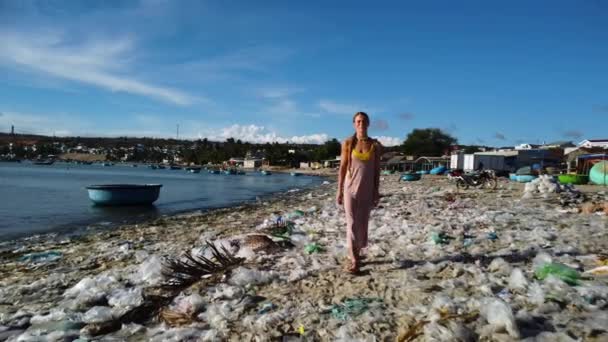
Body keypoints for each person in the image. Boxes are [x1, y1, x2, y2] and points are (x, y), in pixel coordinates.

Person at [336, 112, 382, 274]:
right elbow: (342, 168)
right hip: (350, 189)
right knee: (352, 223)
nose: (361, 123)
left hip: (367, 190)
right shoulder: (348, 143)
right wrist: (339, 190)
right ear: (354, 124)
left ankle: (356, 250)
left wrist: (376, 191)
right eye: (358, 121)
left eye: (363, 121)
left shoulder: (375, 145)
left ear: (368, 123)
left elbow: (376, 171)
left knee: (363, 224)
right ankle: (354, 260)